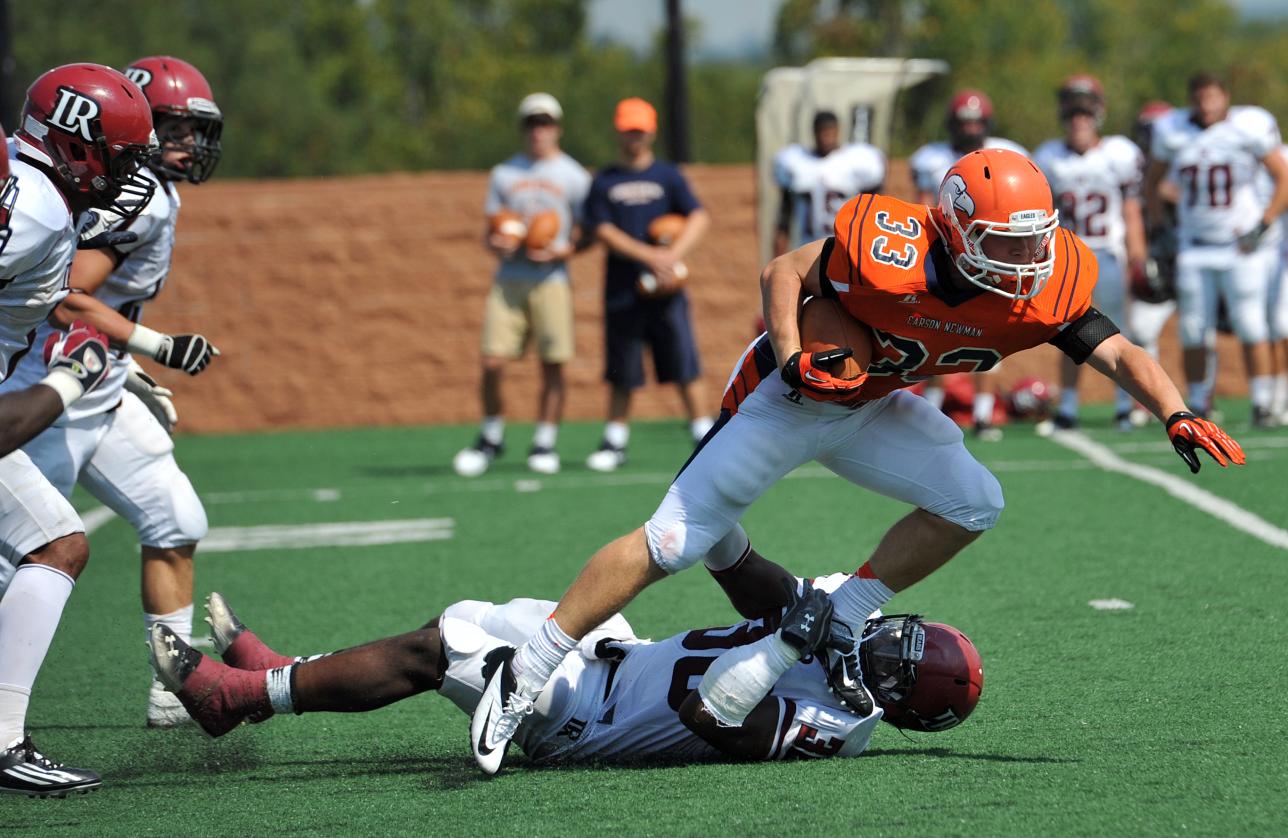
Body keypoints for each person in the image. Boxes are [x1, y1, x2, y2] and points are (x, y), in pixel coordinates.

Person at [470, 147, 1247, 775]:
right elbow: (784, 272)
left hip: (873, 406)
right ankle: (530, 668)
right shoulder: (890, 246)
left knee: (975, 499)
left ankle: (842, 612)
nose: (1028, 258)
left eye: (1035, 238)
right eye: (1009, 243)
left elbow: (1117, 350)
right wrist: (792, 356)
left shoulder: (1040, 287)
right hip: (794, 398)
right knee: (673, 540)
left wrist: (1175, 409)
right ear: (957, 229)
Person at [149, 546, 982, 763]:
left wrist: (793, 639)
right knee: (470, 613)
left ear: (896, 707)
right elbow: (752, 586)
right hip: (615, 657)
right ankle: (278, 674)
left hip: (587, 719)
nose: (880, 646)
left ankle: (243, 698)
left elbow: (712, 716)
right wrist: (724, 527)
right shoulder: (848, 624)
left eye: (894, 668)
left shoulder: (840, 724)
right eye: (897, 634)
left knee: (439, 651)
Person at [0, 56, 223, 730]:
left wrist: (123, 362)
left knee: (174, 518)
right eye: (173, 129)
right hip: (48, 386)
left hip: (95, 379)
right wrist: (150, 345)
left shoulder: (124, 187)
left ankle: (171, 691)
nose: (184, 145)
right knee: (34, 553)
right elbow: (69, 292)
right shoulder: (126, 195)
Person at [0, 63, 160, 798]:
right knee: (56, 543)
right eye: (122, 155)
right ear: (75, 146)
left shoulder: (40, 199)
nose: (133, 172)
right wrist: (70, 379)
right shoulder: (32, 206)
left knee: (58, 542)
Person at [453, 93, 591, 477]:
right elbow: (490, 231)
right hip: (510, 278)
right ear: (522, 129)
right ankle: (491, 434)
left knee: (553, 363)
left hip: (551, 279)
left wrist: (564, 250)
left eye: (545, 123)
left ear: (557, 129)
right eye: (532, 123)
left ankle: (544, 441)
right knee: (492, 360)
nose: (539, 131)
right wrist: (498, 242)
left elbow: (587, 230)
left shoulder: (574, 175)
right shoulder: (504, 174)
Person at [1145, 72, 1288, 426]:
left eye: (1213, 96)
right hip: (1194, 245)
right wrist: (1160, 226)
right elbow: (1152, 181)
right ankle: (1198, 401)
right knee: (1193, 329)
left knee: (1251, 324)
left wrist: (1265, 222)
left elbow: (1282, 177)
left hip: (1241, 245)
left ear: (1226, 97)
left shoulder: (1250, 126)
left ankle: (1263, 402)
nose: (1206, 104)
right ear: (1191, 99)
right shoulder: (1172, 129)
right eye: (1200, 97)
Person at [583, 97, 713, 472]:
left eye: (639, 130)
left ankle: (703, 432)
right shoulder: (605, 180)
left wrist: (671, 257)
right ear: (618, 132)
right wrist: (647, 255)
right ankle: (614, 440)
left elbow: (699, 217)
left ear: (651, 131)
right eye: (627, 130)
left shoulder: (667, 176)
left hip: (667, 286)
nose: (633, 137)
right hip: (624, 286)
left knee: (683, 358)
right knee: (623, 366)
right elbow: (602, 229)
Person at [909, 90, 1028, 440]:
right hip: (947, 256)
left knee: (990, 334)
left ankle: (982, 414)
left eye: (976, 122)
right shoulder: (931, 159)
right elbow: (922, 209)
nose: (970, 128)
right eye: (964, 123)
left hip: (991, 255)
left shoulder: (1008, 153)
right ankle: (930, 412)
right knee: (938, 332)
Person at [1034, 75, 1148, 431]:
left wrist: (1138, 257)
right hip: (1066, 257)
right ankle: (1068, 407)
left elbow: (1131, 210)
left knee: (1119, 333)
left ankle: (1123, 407)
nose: (1078, 120)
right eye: (1073, 113)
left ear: (1098, 114)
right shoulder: (1047, 156)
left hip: (1108, 254)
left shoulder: (1120, 153)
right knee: (1068, 332)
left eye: (1085, 113)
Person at [772, 110, 886, 256]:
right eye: (822, 131)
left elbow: (876, 209)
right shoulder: (797, 163)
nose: (826, 136)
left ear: (838, 130)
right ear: (814, 132)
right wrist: (777, 258)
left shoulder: (855, 160)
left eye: (830, 130)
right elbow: (784, 217)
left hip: (846, 247)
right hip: (808, 248)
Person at [1128, 101, 1180, 372]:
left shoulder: (1188, 160)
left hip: (1192, 254)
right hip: (1158, 258)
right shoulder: (1135, 168)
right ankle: (1145, 397)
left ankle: (1203, 398)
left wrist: (1161, 189)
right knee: (1141, 328)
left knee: (1199, 331)